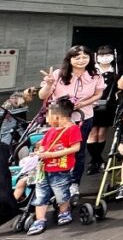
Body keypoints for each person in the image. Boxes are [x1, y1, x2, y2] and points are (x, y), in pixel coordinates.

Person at [38, 45, 105, 193]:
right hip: (58, 119)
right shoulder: (58, 74)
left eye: (85, 57)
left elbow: (98, 94)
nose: (81, 60)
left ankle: (74, 183)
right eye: (77, 57)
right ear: (69, 59)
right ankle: (52, 180)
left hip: (84, 117)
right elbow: (42, 96)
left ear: (90, 58)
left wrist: (83, 103)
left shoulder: (95, 74)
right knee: (55, 148)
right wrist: (49, 84)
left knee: (78, 151)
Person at [25, 99, 82, 235]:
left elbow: (76, 147)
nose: (46, 118)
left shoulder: (72, 129)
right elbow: (43, 145)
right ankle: (40, 219)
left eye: (47, 115)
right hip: (44, 169)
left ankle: (64, 211)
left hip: (60, 169)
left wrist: (52, 154)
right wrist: (39, 152)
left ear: (57, 116)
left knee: (61, 193)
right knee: (41, 194)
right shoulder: (51, 131)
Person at [86, 45, 119, 175]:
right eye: (102, 55)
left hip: (108, 106)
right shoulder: (91, 71)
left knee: (102, 133)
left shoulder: (116, 70)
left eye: (108, 54)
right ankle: (95, 160)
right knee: (93, 133)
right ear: (96, 57)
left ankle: (97, 160)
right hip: (92, 105)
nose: (105, 58)